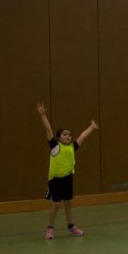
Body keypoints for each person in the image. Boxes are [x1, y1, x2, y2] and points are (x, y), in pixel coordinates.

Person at [36, 102, 98, 240]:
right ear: (58, 138)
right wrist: (43, 115)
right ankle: (50, 229)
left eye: (69, 134)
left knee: (68, 203)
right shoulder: (55, 146)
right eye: (65, 134)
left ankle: (71, 226)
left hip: (68, 178)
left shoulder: (72, 147)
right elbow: (48, 129)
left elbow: (82, 137)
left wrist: (91, 127)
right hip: (55, 180)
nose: (68, 136)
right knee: (56, 205)